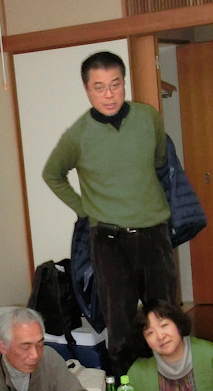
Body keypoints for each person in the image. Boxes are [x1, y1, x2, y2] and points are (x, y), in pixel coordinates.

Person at [43, 50, 178, 374]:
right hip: (109, 242)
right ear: (87, 89)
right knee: (120, 328)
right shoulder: (78, 135)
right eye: (99, 87)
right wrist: (84, 210)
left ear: (124, 83)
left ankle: (172, 388)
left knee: (167, 320)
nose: (109, 94)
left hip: (155, 235)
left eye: (115, 84)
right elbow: (52, 174)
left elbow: (161, 162)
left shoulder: (148, 118)